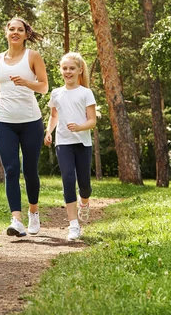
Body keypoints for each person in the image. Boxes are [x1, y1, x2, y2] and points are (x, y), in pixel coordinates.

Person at [0, 17, 48, 237]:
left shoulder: (32, 57)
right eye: (11, 29)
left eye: (19, 30)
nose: (15, 32)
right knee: (11, 170)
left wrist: (27, 82)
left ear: (25, 34)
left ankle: (33, 212)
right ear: (6, 33)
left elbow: (44, 86)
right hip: (5, 123)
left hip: (31, 122)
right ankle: (16, 220)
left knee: (30, 170)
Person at [44, 52, 96, 241]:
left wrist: (79, 127)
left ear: (79, 70)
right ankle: (73, 225)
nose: (68, 71)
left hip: (82, 143)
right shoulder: (56, 93)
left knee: (84, 185)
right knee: (67, 179)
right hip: (63, 142)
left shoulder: (86, 93)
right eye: (64, 68)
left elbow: (92, 121)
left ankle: (85, 202)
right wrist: (49, 131)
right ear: (60, 70)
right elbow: (54, 116)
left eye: (72, 68)